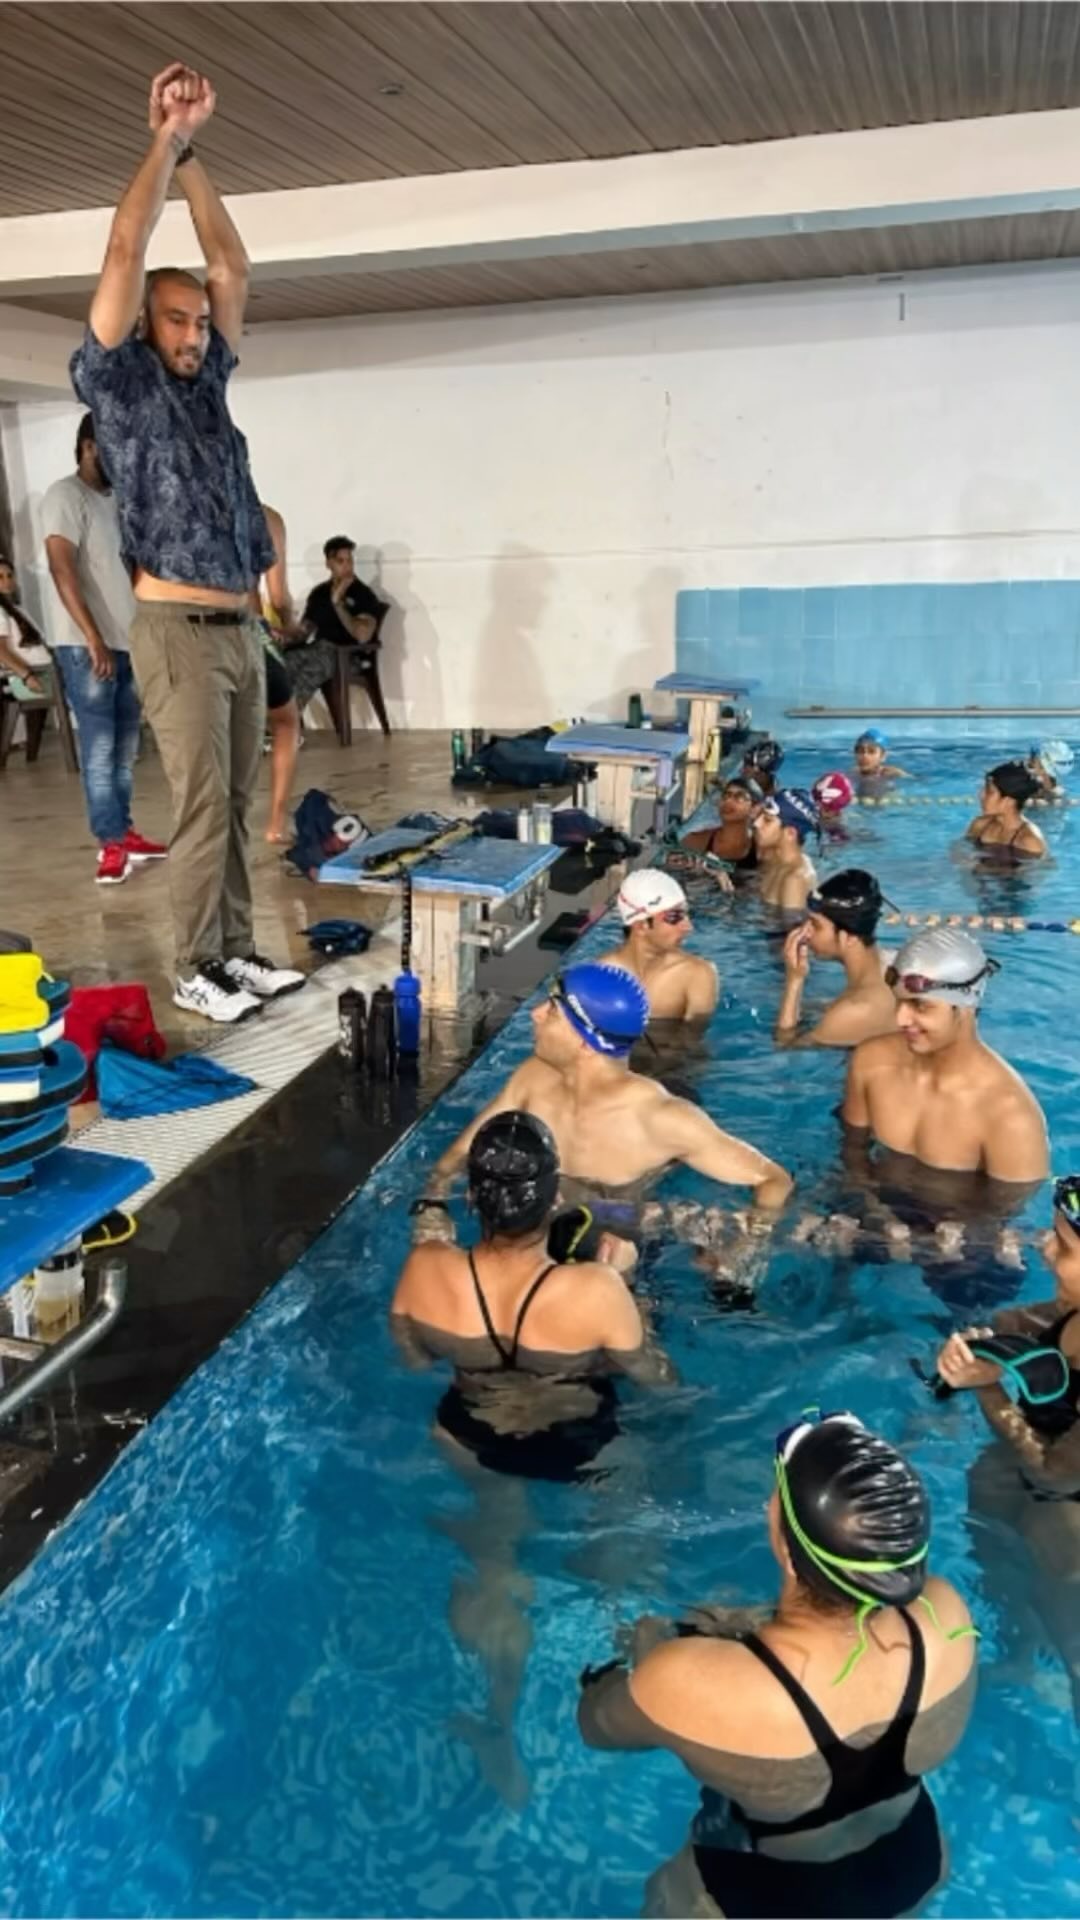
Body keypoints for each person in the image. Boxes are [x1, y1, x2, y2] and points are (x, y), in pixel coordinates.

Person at [70, 62, 304, 1023]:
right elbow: (128, 244)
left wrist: (201, 155)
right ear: (145, 327)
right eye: (179, 319)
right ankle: (194, 967)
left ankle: (239, 952)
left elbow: (232, 268)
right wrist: (162, 141)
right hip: (174, 632)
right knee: (207, 811)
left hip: (238, 626)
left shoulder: (209, 383)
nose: (196, 333)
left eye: (200, 323)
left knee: (244, 805)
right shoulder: (120, 387)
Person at [578, 1412, 977, 1918]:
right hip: (912, 1863)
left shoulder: (684, 1678)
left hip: (773, 1894)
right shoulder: (945, 1615)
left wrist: (645, 1650)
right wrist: (756, 1635)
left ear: (788, 1552)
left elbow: (598, 1727)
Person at [392, 1112, 674, 1805]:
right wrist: (630, 1285)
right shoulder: (593, 1290)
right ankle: (641, 1692)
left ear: (473, 1201)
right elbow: (657, 1379)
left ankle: (498, 1723)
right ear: (553, 1201)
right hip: (582, 1440)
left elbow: (413, 1355)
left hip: (470, 1432)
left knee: (496, 1558)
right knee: (623, 1556)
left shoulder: (425, 1270)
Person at [414, 963, 792, 1236]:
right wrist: (433, 1204)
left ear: (584, 1040)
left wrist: (745, 1253)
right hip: (538, 1231)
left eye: (553, 1010)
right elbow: (459, 1154)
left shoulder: (661, 1118)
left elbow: (774, 1179)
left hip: (619, 1240)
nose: (534, 1014)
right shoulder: (532, 1077)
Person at [935, 1173, 1080, 1723]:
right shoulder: (1070, 1310)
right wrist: (988, 1344)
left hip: (1069, 1508)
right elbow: (1023, 1326)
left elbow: (1055, 1475)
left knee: (1071, 1622)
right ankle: (1019, 1652)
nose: (1043, 1248)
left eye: (1063, 1247)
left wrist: (989, 1385)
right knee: (990, 1487)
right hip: (1025, 1465)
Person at [42, 413, 165, 886]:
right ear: (90, 446)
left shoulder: (116, 501)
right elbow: (61, 569)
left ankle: (124, 830)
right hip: (86, 643)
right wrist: (92, 636)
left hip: (127, 640)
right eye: (114, 448)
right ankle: (109, 844)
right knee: (99, 746)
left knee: (126, 746)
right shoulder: (64, 496)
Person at [842, 927, 1048, 1182]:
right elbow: (852, 1155)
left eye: (920, 1005)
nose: (900, 1019)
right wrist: (870, 1211)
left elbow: (1003, 1213)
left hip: (955, 1218)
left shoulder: (1011, 1118)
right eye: (899, 1002)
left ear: (966, 1007)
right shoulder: (870, 1062)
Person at [775, 869, 897, 1049]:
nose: (805, 931)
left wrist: (794, 981)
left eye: (816, 925)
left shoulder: (853, 1010)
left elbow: (785, 1046)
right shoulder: (893, 962)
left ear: (848, 938)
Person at [296, 535, 389, 735]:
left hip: (348, 656)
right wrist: (283, 637)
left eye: (350, 561)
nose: (347, 567)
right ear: (328, 563)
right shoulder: (319, 593)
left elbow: (363, 635)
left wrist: (338, 603)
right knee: (280, 664)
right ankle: (275, 724)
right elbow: (304, 631)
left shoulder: (362, 593)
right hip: (319, 649)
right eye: (341, 561)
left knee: (313, 666)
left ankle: (286, 724)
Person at [600, 870, 719, 1022]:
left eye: (687, 914)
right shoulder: (602, 974)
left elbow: (693, 1041)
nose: (688, 926)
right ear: (642, 925)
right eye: (675, 917)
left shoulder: (698, 975)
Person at [256, 504, 302, 846]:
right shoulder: (266, 517)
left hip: (191, 635)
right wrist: (289, 626)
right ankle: (275, 824)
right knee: (286, 722)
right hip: (246, 629)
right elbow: (277, 595)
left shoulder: (191, 504)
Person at [964, 761, 1047, 860]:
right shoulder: (980, 825)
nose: (981, 795)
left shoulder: (1030, 842)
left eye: (989, 792)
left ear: (1008, 801)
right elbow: (960, 854)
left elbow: (1038, 872)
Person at [753, 789, 819, 911]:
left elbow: (790, 929)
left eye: (767, 820)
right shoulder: (776, 860)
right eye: (760, 816)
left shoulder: (794, 879)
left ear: (790, 833)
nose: (756, 823)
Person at [682, 775, 760, 868]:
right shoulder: (695, 841)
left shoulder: (765, 851)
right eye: (726, 796)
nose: (728, 801)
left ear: (754, 809)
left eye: (739, 797)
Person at [0, 556, 51, 691]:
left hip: (48, 672)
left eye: (10, 575)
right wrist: (27, 676)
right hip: (30, 678)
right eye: (0, 577)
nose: (7, 581)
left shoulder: (18, 609)